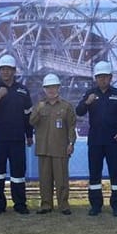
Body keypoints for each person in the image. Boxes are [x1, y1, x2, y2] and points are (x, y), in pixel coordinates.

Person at [75, 60, 117, 217]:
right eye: (99, 77)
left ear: (111, 77)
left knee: (116, 174)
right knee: (95, 174)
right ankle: (95, 206)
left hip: (114, 141)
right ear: (95, 78)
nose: (103, 79)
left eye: (105, 76)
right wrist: (87, 102)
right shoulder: (90, 94)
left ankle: (116, 206)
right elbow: (79, 111)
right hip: (95, 141)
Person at [0, 54, 34, 215]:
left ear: (14, 71)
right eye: (3, 69)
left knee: (18, 173)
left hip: (17, 139)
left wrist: (29, 135)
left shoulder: (23, 91)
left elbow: (27, 115)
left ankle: (20, 204)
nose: (5, 72)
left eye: (8, 69)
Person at [30, 74, 77, 214]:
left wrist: (71, 143)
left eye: (54, 87)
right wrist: (38, 110)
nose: (51, 90)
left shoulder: (66, 107)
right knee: (45, 180)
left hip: (60, 148)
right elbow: (31, 122)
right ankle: (46, 205)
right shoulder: (39, 106)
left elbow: (71, 127)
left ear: (59, 88)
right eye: (48, 87)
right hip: (43, 149)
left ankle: (64, 205)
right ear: (44, 89)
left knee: (61, 180)